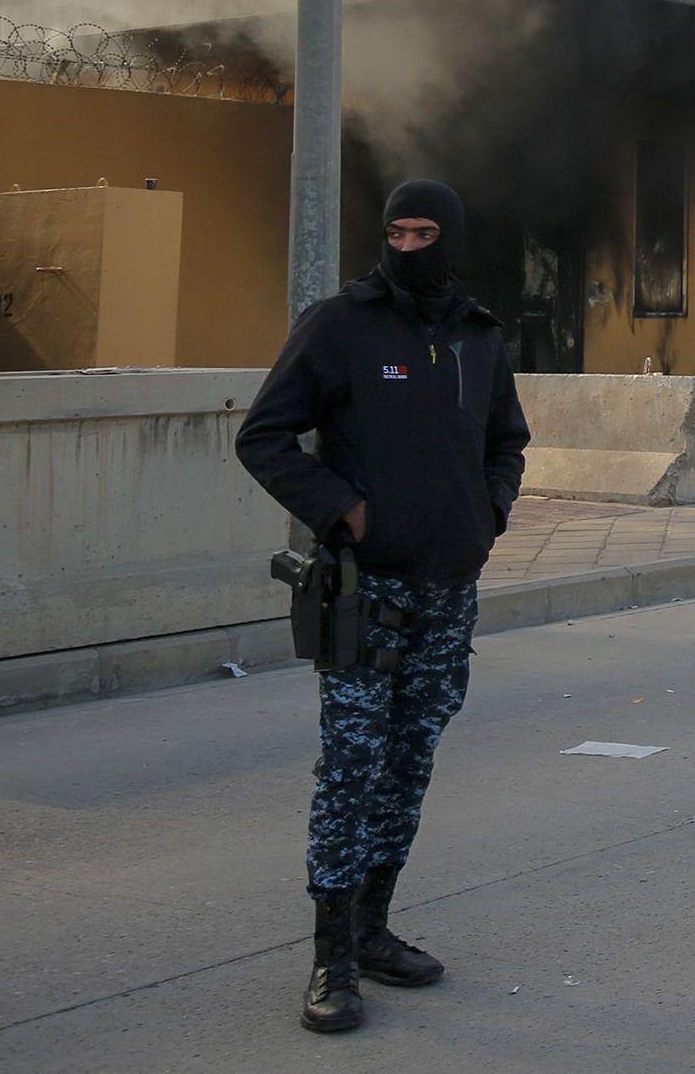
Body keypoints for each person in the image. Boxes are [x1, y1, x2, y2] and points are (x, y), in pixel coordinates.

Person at [237, 181, 529, 1034]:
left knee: (409, 765)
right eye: (396, 230)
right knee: (352, 769)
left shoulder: (480, 335)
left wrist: (490, 511)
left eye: (426, 230)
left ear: (453, 236)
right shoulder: (342, 324)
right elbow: (264, 435)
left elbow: (506, 439)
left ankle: (373, 928)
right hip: (365, 594)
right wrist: (346, 510)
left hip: (448, 592)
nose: (408, 245)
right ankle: (331, 958)